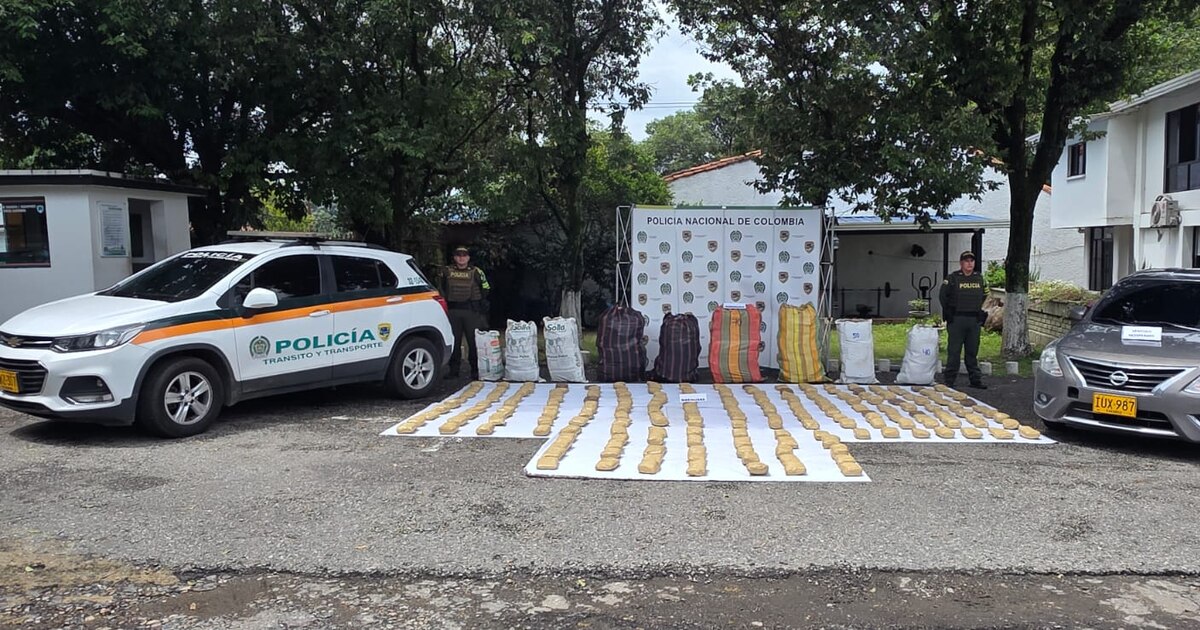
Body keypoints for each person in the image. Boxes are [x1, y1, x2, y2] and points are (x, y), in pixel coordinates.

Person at [437, 245, 491, 379]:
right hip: (453, 311)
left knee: (474, 342)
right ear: (455, 257)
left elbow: (486, 287)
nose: (461, 258)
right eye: (458, 255)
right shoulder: (446, 271)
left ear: (468, 257)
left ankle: (475, 370)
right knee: (454, 341)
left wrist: (480, 303)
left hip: (471, 311)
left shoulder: (477, 272)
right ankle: (453, 370)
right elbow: (441, 288)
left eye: (464, 255)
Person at [939, 250, 988, 389]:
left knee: (972, 351)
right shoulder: (953, 278)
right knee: (954, 351)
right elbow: (943, 296)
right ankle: (949, 380)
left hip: (973, 321)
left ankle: (975, 380)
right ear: (961, 263)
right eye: (966, 261)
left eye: (971, 261)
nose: (969, 263)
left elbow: (985, 295)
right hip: (957, 320)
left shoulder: (979, 278)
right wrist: (949, 312)